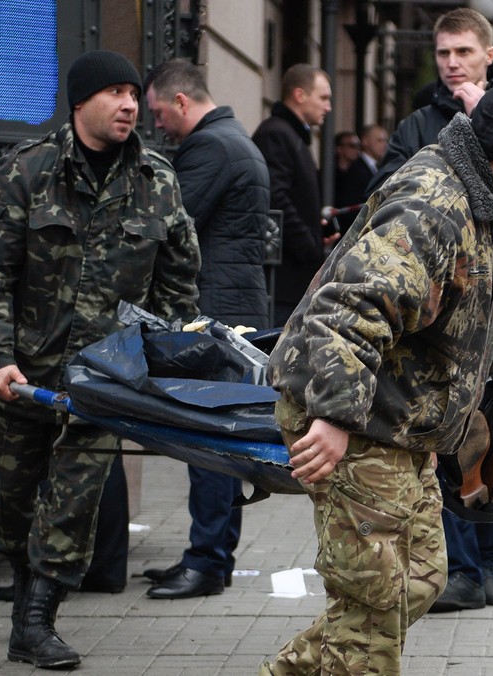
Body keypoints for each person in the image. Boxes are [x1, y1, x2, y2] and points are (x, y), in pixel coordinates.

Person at [259, 76, 493, 676]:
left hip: (400, 423)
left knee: (419, 582)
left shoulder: (477, 198)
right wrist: (334, 416)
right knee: (372, 611)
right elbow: (349, 309)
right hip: (353, 414)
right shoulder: (433, 205)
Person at [0, 50, 200, 668]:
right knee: (14, 503)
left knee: (73, 502)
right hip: (22, 377)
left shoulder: (157, 180)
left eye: (133, 93)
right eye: (115, 92)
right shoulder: (29, 171)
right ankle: (22, 619)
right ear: (81, 102)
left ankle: (40, 622)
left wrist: (157, 359)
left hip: (103, 379)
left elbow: (178, 282)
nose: (129, 104)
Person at [367, 6, 493, 614]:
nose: (451, 64)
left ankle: (489, 562)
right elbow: (398, 198)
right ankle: (461, 568)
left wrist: (487, 125)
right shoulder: (420, 124)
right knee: (452, 435)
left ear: (488, 55)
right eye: (443, 53)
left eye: (463, 53)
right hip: (444, 314)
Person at [141, 58, 270, 599]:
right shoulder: (234, 139)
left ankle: (207, 561)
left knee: (209, 443)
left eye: (158, 114)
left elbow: (169, 223)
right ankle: (208, 557)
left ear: (182, 103)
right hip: (234, 307)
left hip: (215, 312)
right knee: (220, 441)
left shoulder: (211, 148)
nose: (157, 126)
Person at [252, 64, 338, 326]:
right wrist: (310, 246)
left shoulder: (292, 135)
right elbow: (276, 201)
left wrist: (315, 231)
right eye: (323, 98)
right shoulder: (277, 134)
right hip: (283, 281)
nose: (328, 107)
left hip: (291, 278)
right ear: (300, 96)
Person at [332, 130, 370, 232]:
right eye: (352, 146)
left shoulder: (361, 172)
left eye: (359, 146)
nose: (357, 149)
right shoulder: (329, 173)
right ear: (340, 148)